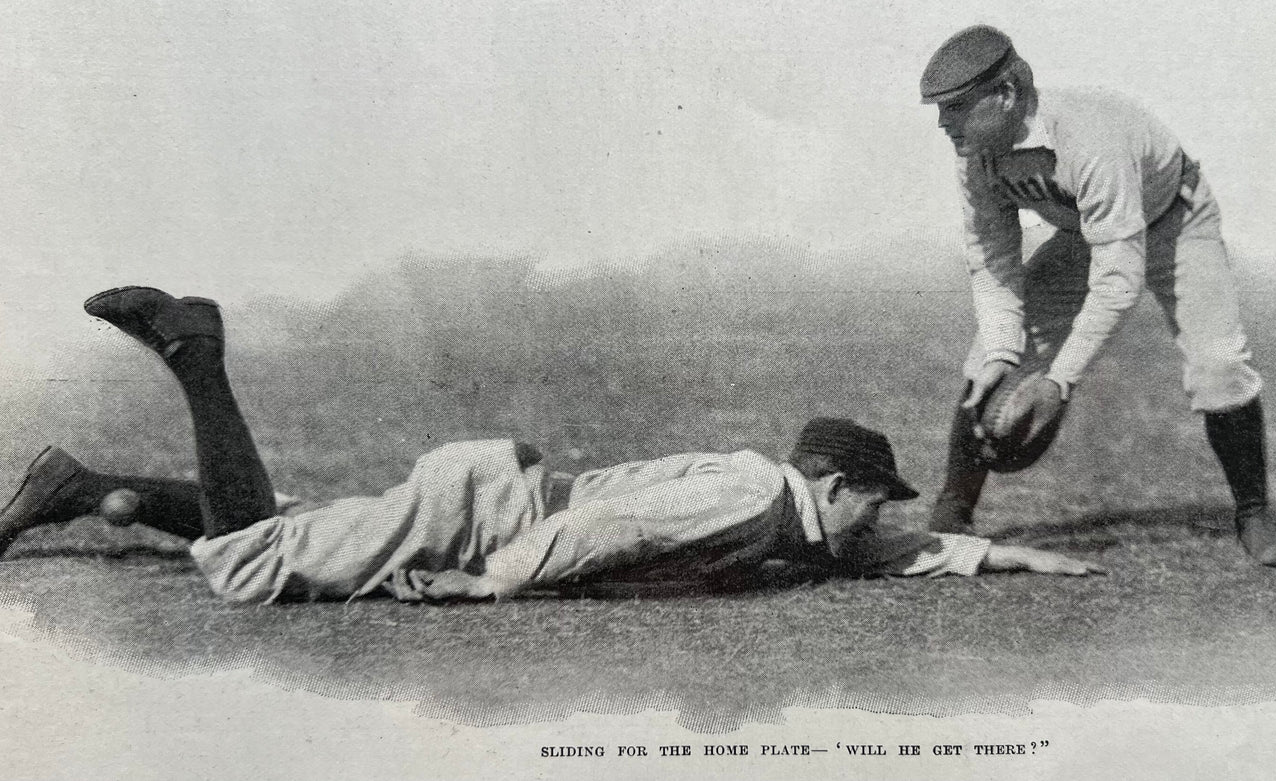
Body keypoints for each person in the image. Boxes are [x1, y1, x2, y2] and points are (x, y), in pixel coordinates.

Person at [0, 287, 1103, 603]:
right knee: (254, 568)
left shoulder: (797, 516)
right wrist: (487, 587)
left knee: (296, 527)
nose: (883, 513)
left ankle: (80, 487)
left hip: (493, 485)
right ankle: (198, 355)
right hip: (496, 517)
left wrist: (1007, 555)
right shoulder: (749, 503)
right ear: (830, 482)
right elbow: (604, 527)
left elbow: (888, 551)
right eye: (877, 495)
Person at [918, 25, 1276, 567]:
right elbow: (994, 260)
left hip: (1176, 222)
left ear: (1003, 95)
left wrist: (1059, 381)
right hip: (1083, 235)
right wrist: (1005, 351)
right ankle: (953, 510)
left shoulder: (1090, 137)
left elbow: (1118, 282)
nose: (942, 123)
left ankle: (1254, 513)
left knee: (1219, 365)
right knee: (989, 359)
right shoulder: (975, 152)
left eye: (954, 106)